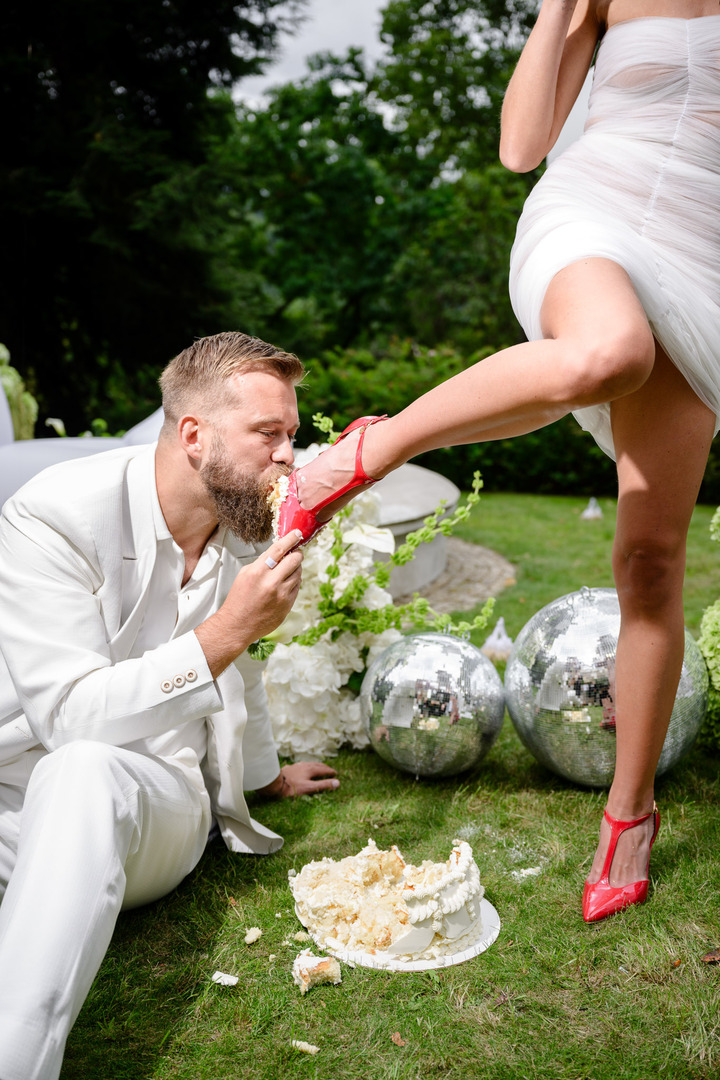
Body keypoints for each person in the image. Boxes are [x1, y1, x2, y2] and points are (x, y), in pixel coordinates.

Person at [277, 2, 720, 922]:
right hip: (596, 210)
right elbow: (522, 148)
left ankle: (630, 813)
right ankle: (371, 448)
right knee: (606, 353)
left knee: (649, 558)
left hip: (703, 255)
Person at [0, 331, 340, 1079]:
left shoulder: (247, 535)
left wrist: (265, 778)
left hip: (153, 804)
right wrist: (229, 630)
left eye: (291, 434)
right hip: (10, 797)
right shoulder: (51, 516)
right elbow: (66, 713)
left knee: (84, 771)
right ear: (194, 436)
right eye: (269, 434)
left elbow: (243, 672)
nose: (289, 456)